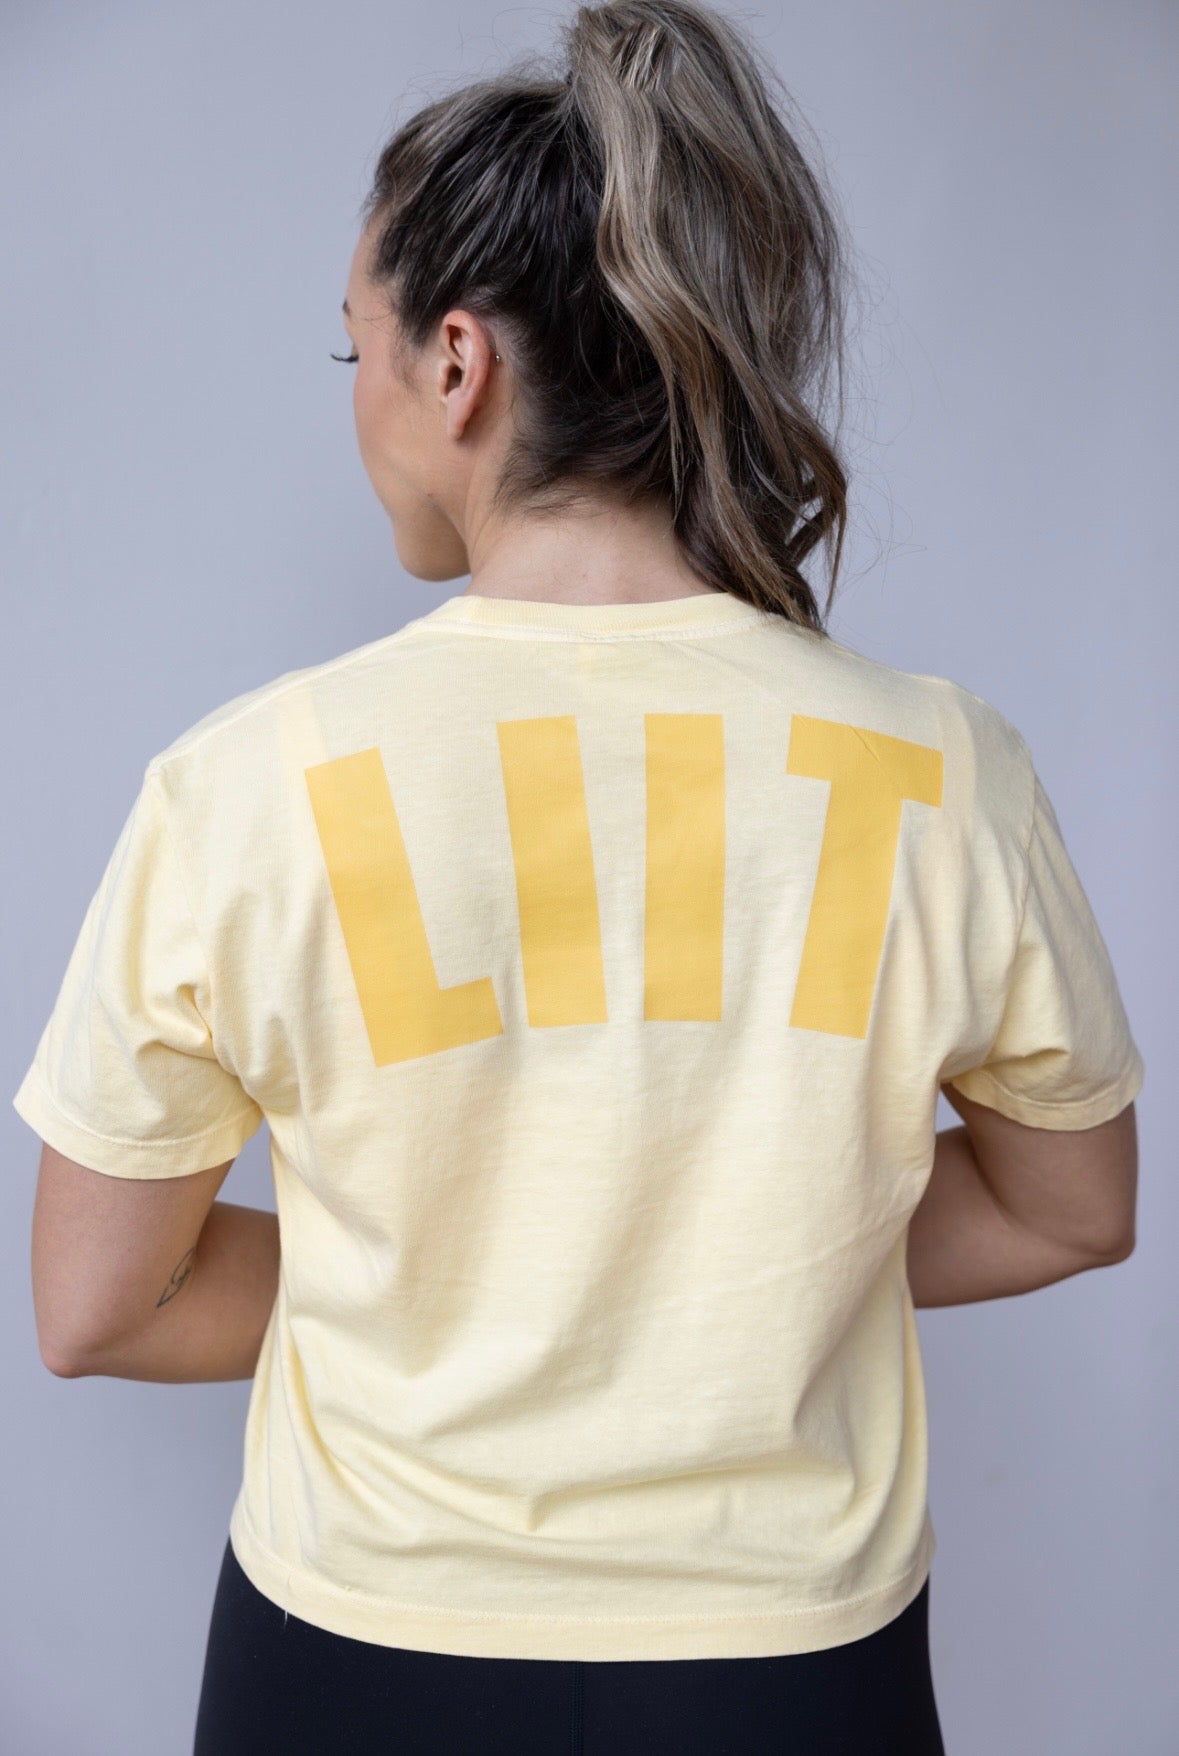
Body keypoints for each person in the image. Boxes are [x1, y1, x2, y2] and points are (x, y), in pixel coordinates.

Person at [15, 2, 1143, 1752]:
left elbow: (97, 1301)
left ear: (456, 365)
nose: (357, 396)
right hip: (795, 1674)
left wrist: (453, 1285)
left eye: (355, 349)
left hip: (358, 1657)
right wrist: (733, 1278)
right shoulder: (941, 767)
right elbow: (1077, 1207)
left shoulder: (249, 784)